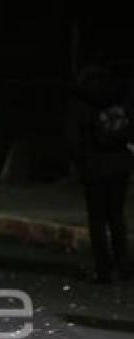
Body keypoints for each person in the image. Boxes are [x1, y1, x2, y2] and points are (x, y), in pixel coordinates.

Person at [70, 66, 133, 284]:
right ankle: (123, 264)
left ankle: (103, 267)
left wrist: (78, 162)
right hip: (120, 164)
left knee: (97, 218)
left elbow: (74, 137)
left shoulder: (82, 101)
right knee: (116, 215)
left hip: (94, 165)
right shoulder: (121, 95)